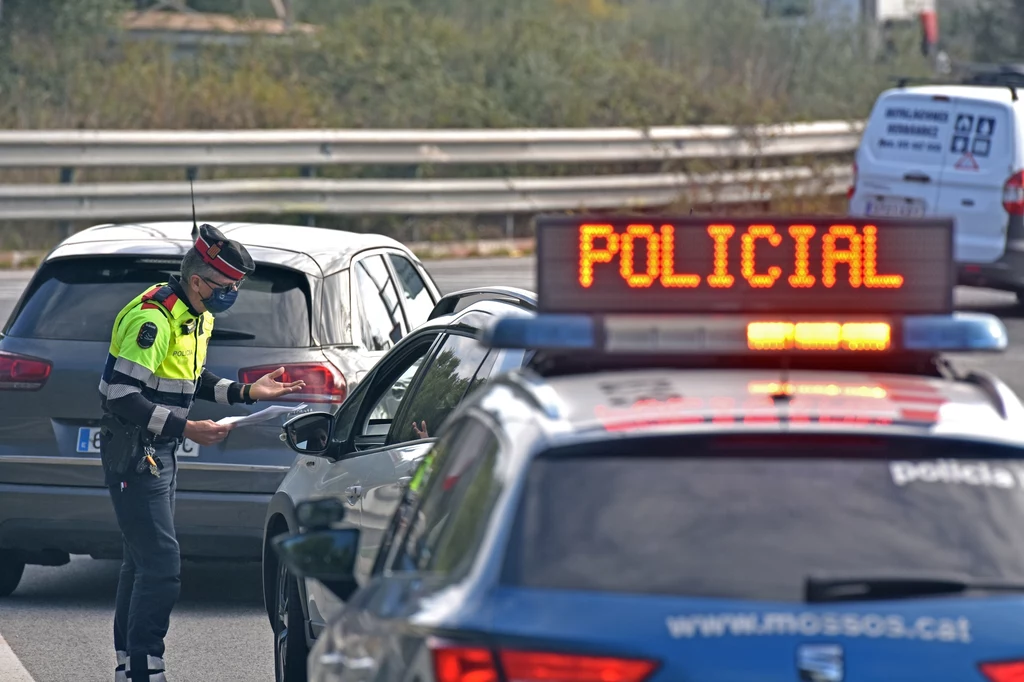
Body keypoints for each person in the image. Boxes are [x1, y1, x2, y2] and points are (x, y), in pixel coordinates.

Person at [98, 224, 305, 682]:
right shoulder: (153, 318)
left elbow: (192, 376)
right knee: (162, 567)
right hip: (136, 453)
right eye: (228, 286)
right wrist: (187, 425)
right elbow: (119, 395)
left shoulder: (194, 314)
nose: (232, 293)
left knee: (141, 561)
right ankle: (143, 669)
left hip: (159, 452)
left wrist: (249, 391)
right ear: (198, 281)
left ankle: (130, 667)